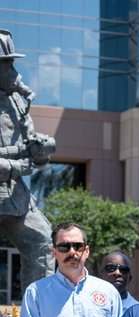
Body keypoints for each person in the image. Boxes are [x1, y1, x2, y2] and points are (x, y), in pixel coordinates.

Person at [0, 31, 56, 289]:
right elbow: (20, 164)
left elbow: (32, 158)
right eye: (7, 64)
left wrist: (40, 152)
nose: (14, 71)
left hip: (14, 198)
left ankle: (39, 314)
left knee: (42, 239)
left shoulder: (16, 102)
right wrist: (17, 166)